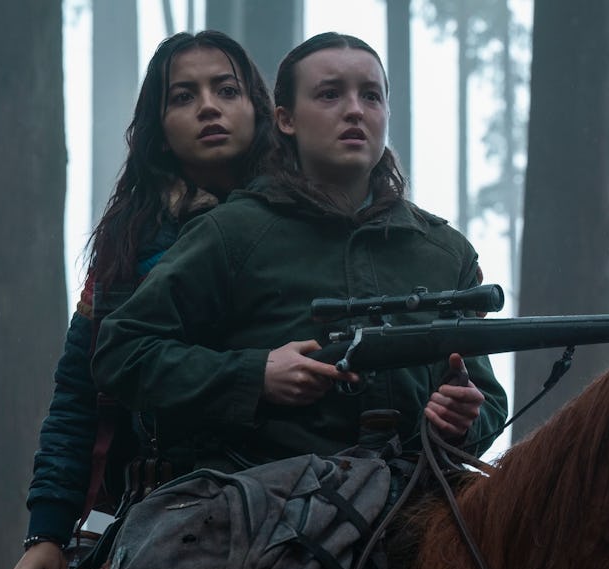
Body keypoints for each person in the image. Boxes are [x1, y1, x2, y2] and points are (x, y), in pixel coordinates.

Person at [92, 30, 506, 483]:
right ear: (285, 119)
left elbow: (485, 396)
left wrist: (464, 416)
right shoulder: (232, 232)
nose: (354, 110)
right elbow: (122, 351)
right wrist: (254, 375)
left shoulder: (444, 252)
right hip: (259, 515)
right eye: (330, 94)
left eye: (371, 96)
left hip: (417, 503)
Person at [8, 30, 275, 569]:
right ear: (160, 130)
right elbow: (79, 392)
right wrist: (46, 532)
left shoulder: (297, 228)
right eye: (183, 96)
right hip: (144, 509)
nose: (208, 106)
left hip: (282, 503)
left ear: (257, 106)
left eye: (226, 89)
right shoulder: (126, 248)